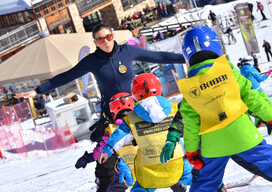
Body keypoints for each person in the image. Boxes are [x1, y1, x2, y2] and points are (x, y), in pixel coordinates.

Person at [14, 23, 186, 191]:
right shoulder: (92, 61)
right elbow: (67, 76)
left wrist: (188, 58)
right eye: (101, 39)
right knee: (107, 160)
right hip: (112, 115)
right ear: (95, 42)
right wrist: (37, 90)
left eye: (109, 37)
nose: (106, 42)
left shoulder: (127, 51)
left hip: (137, 112)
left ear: (113, 36)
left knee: (153, 146)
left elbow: (159, 57)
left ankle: (176, 184)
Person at [172, 26, 272, 191]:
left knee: (206, 181)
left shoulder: (189, 89)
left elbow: (190, 124)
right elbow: (253, 98)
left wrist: (192, 152)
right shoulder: (230, 73)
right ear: (216, 46)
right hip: (243, 135)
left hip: (212, 146)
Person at [98, 73, 192, 192]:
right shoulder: (174, 108)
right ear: (159, 87)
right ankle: (219, 188)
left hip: (149, 168)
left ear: (135, 94)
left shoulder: (131, 117)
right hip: (177, 163)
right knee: (202, 177)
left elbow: (120, 135)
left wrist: (107, 150)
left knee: (140, 188)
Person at [75, 92, 137, 192]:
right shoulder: (140, 123)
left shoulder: (112, 130)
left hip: (123, 171)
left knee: (115, 187)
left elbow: (101, 150)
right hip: (143, 167)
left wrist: (88, 158)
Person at [240, 56, 272, 137]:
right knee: (269, 104)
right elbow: (260, 79)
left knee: (257, 107)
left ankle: (259, 123)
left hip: (250, 92)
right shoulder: (252, 70)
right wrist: (267, 74)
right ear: (251, 61)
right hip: (258, 91)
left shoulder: (241, 70)